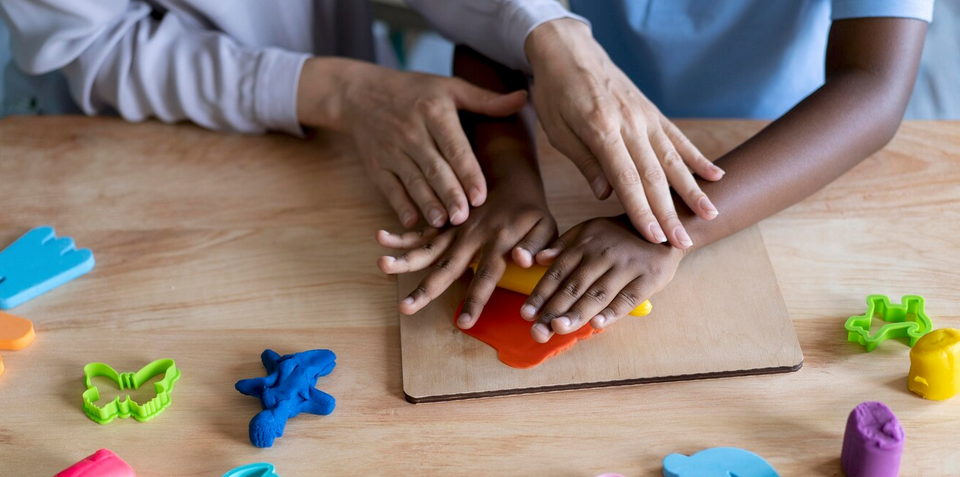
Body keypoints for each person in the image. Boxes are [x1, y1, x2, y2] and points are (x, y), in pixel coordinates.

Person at [381, 3, 931, 343]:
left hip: (781, 140)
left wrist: (673, 227)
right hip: (572, 120)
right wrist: (508, 175)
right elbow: (495, 26)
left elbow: (873, 90)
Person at [0, 0, 723, 248]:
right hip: (140, 145)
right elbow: (94, 45)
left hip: (346, 127)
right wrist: (337, 90)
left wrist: (547, 32)